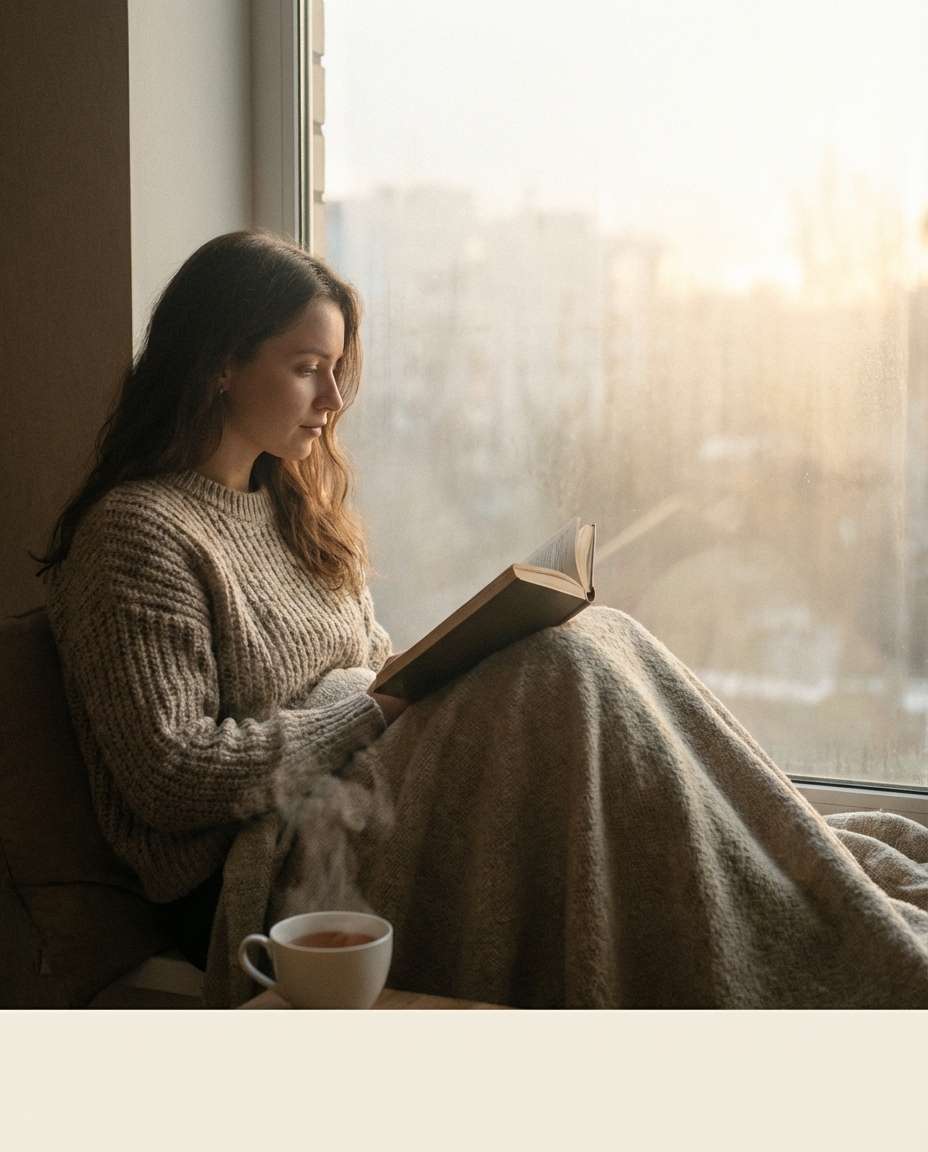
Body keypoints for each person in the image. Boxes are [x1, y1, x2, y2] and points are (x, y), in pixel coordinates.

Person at [35, 229, 928, 1007]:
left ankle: (784, 858)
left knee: (593, 636)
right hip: (265, 869)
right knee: (561, 677)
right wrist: (377, 710)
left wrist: (431, 672)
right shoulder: (138, 534)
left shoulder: (289, 508)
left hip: (365, 788)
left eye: (338, 370)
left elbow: (372, 667)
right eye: (308, 369)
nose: (333, 400)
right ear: (218, 362)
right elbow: (171, 776)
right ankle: (786, 907)